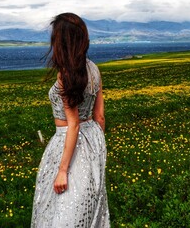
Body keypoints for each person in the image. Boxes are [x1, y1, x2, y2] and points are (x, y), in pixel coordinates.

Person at [31, 13, 110, 227]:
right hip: (93, 141)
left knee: (60, 208)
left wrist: (62, 170)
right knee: (88, 206)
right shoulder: (93, 69)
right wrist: (96, 150)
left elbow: (73, 124)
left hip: (67, 142)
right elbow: (100, 117)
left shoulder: (66, 75)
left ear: (62, 41)